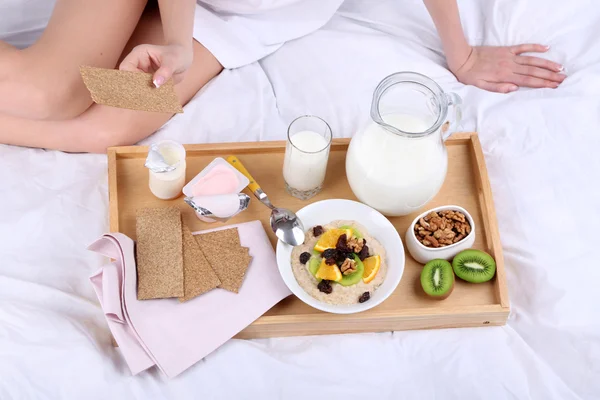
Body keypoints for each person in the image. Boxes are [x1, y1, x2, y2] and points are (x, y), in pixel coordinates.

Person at [0, 0, 566, 153]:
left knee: (100, 130)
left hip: (236, 18)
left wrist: (462, 57)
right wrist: (174, 37)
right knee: (50, 93)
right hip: (186, 12)